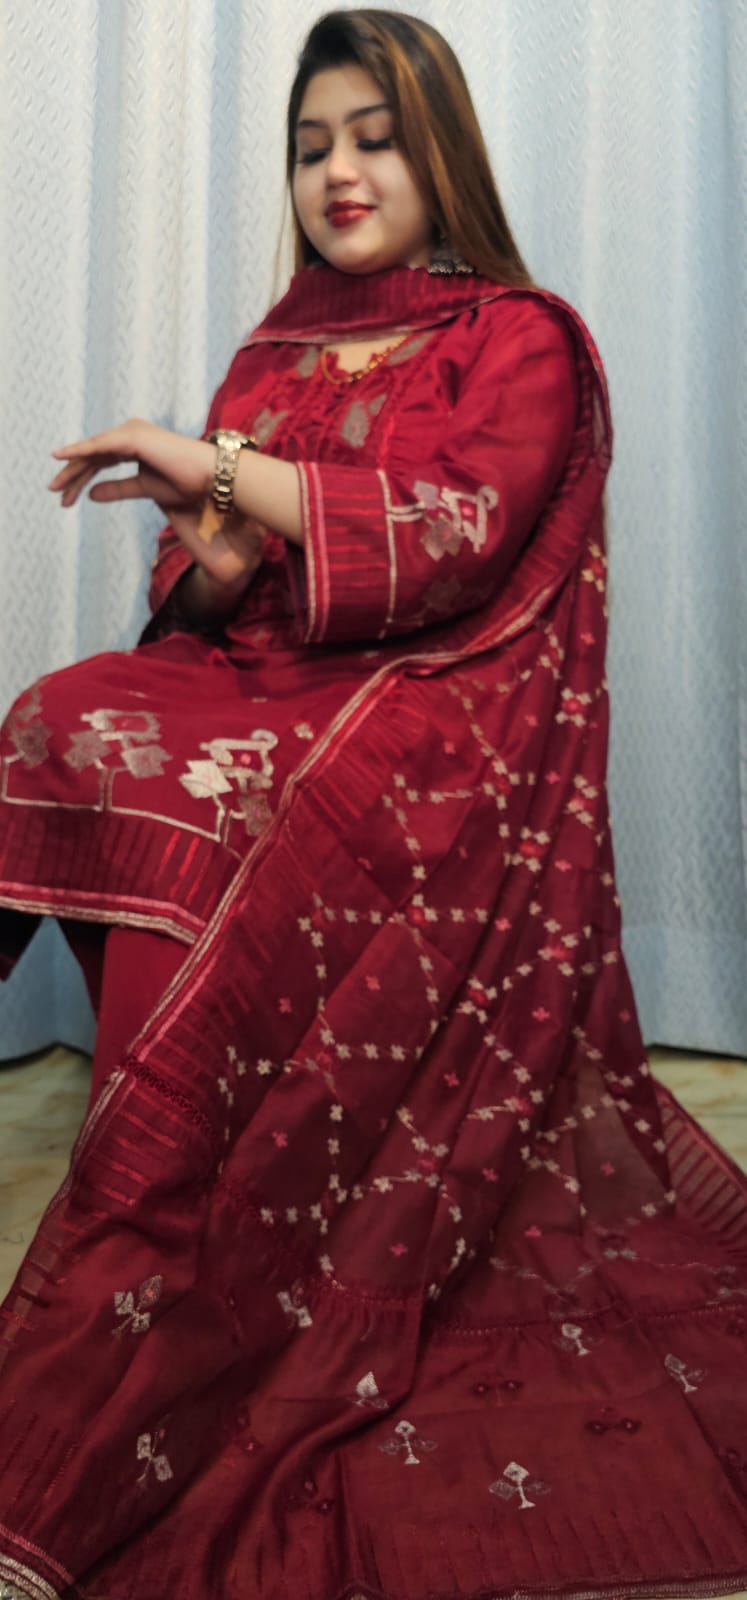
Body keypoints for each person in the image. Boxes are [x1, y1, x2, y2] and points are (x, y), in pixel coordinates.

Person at [1, 10, 746, 1599]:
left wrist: (213, 468)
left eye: (373, 136)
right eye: (311, 146)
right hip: (267, 681)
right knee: (56, 722)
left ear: (439, 150)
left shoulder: (521, 338)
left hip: (431, 712)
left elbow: (450, 534)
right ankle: (156, 1152)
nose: (339, 172)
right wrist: (214, 556)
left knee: (214, 807)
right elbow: (211, 580)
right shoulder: (272, 352)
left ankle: (168, 1206)